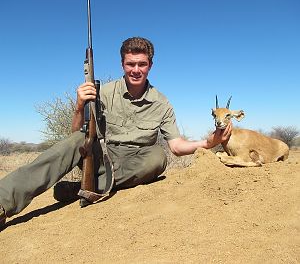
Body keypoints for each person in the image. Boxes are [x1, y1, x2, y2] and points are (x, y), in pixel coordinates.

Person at [0, 37, 231, 228]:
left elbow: (176, 146)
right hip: (101, 156)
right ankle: (4, 201)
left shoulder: (162, 103)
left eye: (142, 64)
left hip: (134, 164)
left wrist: (208, 142)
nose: (136, 70)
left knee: (158, 157)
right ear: (122, 64)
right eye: (131, 64)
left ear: (150, 65)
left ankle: (82, 189)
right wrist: (79, 106)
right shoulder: (103, 92)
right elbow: (76, 135)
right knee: (77, 139)